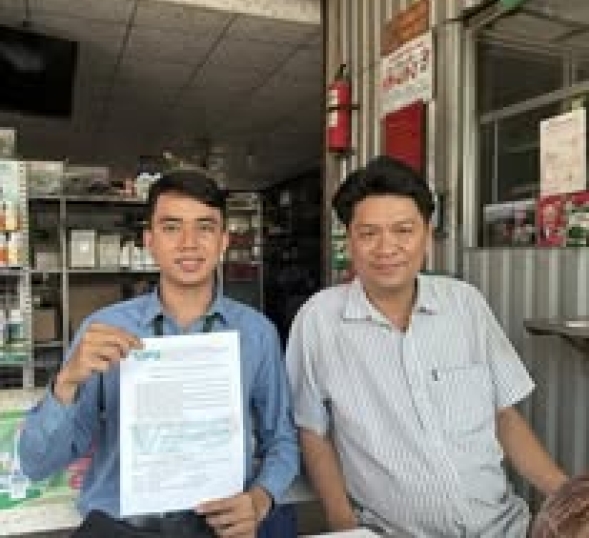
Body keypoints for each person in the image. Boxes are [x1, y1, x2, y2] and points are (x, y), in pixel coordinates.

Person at [286, 155, 567, 537]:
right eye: (368, 233)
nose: (387, 248)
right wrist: (344, 526)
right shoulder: (319, 320)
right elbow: (312, 430)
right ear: (349, 240)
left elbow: (504, 415)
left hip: (502, 527)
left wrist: (568, 498)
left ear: (427, 236)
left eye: (403, 230)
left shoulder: (464, 304)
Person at [19, 169, 299, 538]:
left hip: (217, 527)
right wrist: (67, 380)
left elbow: (282, 440)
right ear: (149, 240)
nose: (189, 243)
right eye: (171, 227)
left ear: (223, 240)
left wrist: (260, 500)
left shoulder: (256, 333)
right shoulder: (103, 329)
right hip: (118, 528)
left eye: (204, 227)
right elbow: (37, 463)